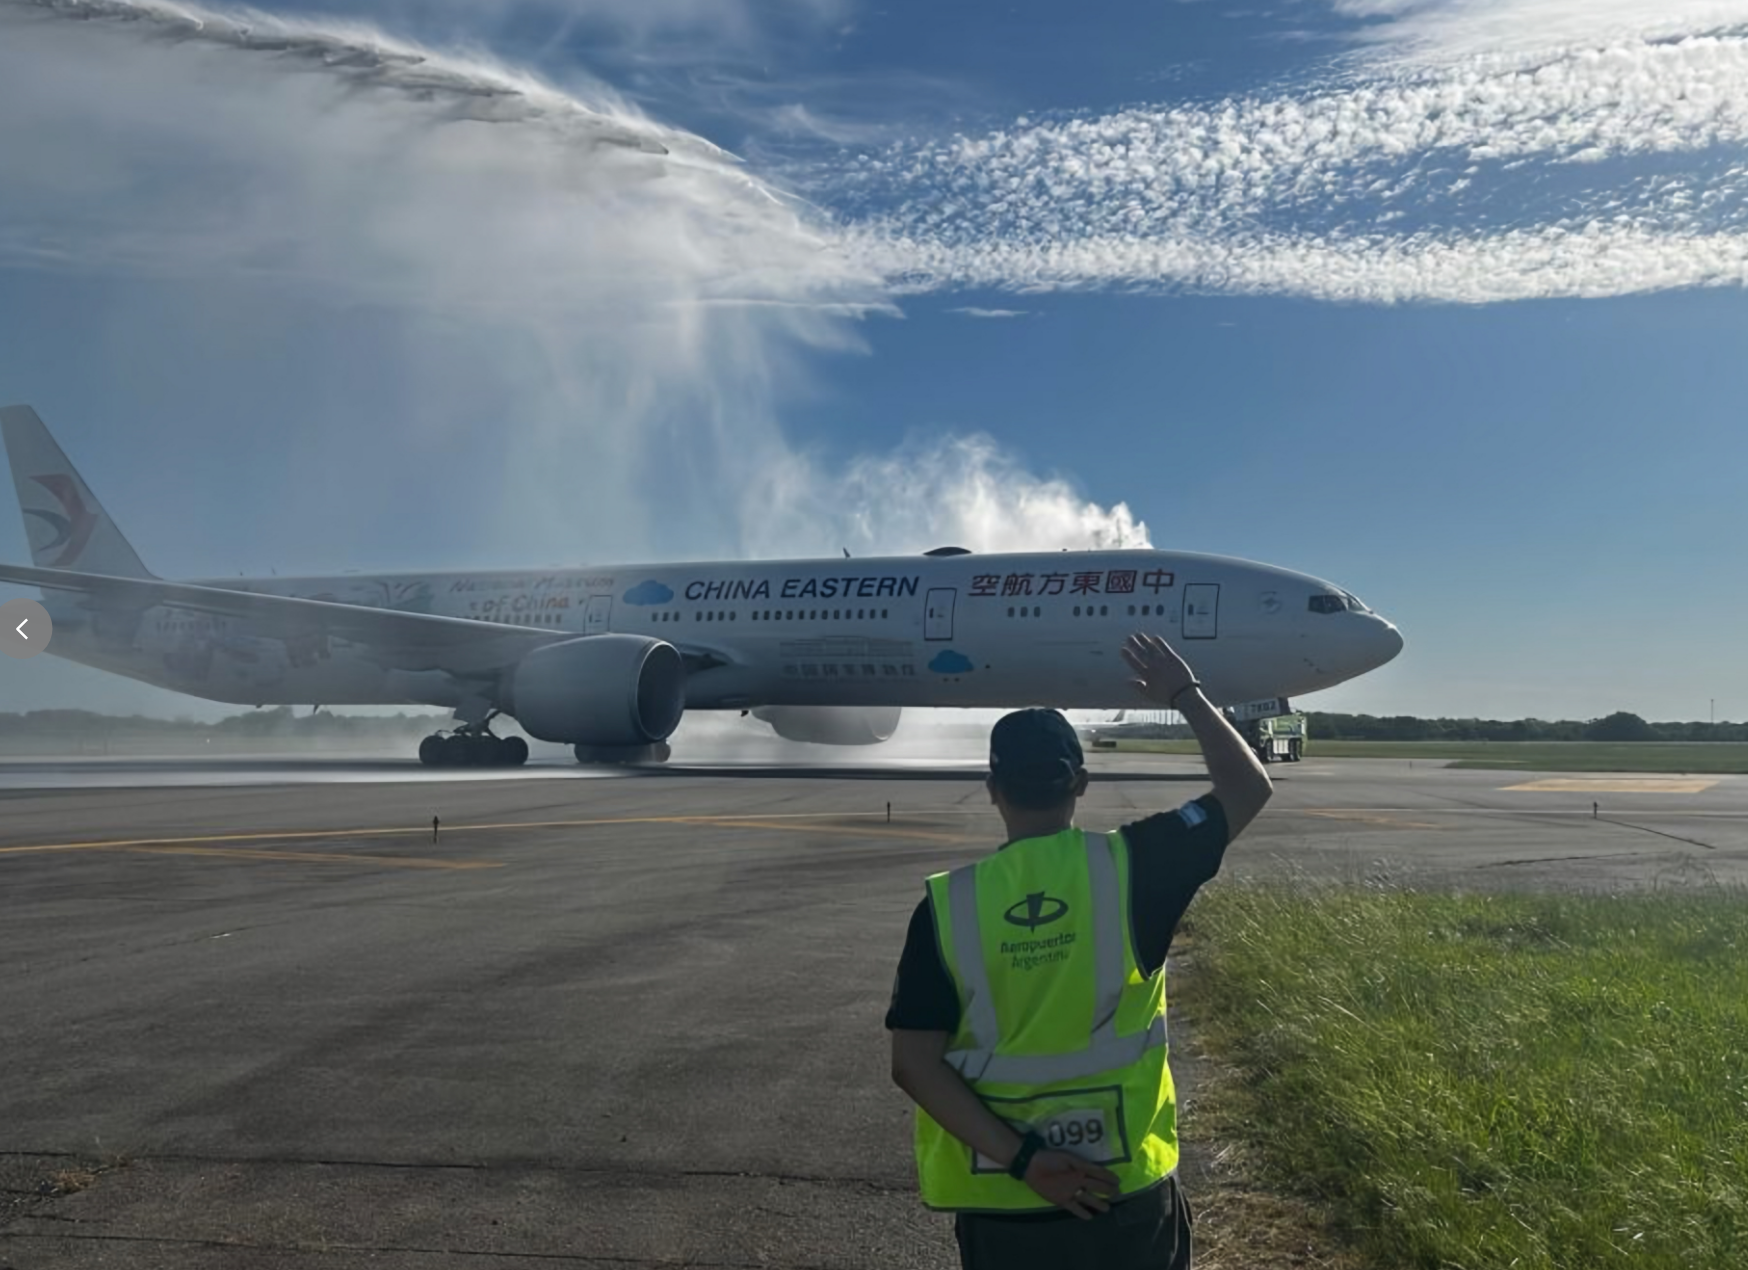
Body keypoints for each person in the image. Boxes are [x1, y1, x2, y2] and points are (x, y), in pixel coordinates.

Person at [885, 633, 1274, 1269]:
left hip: (1006, 1200)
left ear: (993, 788)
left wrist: (1025, 1160)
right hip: (1125, 1192)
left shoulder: (947, 906)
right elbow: (1248, 787)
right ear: (1082, 784)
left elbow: (913, 1065)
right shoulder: (1138, 866)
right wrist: (1184, 693)